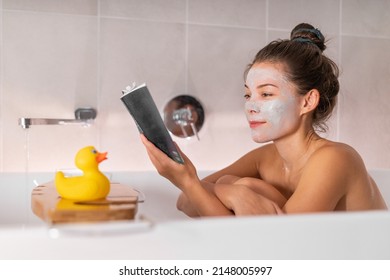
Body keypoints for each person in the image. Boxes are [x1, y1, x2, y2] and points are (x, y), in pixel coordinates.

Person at [140, 23, 388, 217]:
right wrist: (231, 192)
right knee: (241, 184)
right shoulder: (266, 158)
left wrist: (195, 182)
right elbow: (185, 202)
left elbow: (279, 245)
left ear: (307, 101)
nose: (251, 106)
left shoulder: (335, 159)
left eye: (267, 94)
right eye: (248, 94)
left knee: (249, 185)